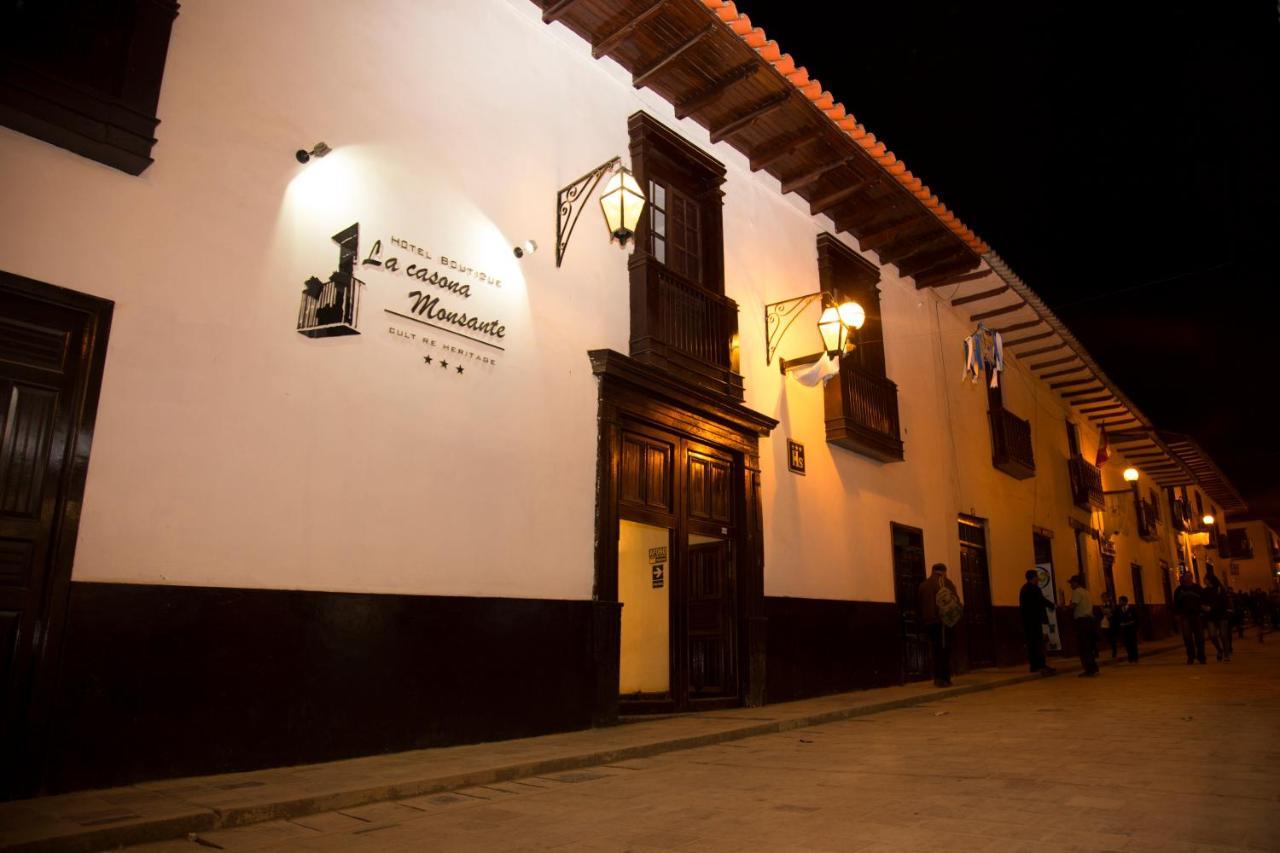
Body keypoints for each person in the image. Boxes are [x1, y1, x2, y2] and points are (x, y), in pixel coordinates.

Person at [918, 563, 960, 688]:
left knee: (935, 650)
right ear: (943, 571)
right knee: (945, 650)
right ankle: (945, 678)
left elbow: (920, 604)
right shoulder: (947, 583)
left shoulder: (923, 585)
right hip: (944, 623)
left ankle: (937, 678)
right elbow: (956, 601)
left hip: (929, 622)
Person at [1019, 569, 1056, 675]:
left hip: (1028, 621)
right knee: (1037, 643)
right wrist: (1052, 605)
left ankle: (1035, 665)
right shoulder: (1033, 589)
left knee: (1033, 643)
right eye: (1036, 577)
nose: (1038, 579)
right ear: (1033, 577)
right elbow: (1041, 600)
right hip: (1034, 620)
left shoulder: (1024, 589)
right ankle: (1040, 665)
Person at [1068, 576, 1099, 677]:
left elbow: (1074, 605)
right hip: (1089, 620)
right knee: (1089, 646)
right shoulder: (1086, 592)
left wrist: (1065, 607)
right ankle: (1093, 667)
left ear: (1076, 583)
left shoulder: (1077, 592)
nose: (1071, 585)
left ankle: (1089, 668)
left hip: (1082, 621)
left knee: (1083, 646)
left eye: (1072, 583)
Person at [1173, 572, 1206, 664]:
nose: (1188, 579)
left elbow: (1203, 600)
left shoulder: (1197, 588)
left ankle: (1201, 656)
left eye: (1189, 577)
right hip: (1185, 616)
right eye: (1186, 577)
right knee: (1187, 637)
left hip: (1197, 615)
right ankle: (1191, 656)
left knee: (1199, 637)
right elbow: (1176, 604)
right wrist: (1177, 615)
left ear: (1192, 578)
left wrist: (1202, 612)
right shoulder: (1179, 590)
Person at [1203, 567, 1231, 661]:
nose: (1204, 580)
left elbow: (1223, 601)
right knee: (1212, 635)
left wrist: (1212, 607)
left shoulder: (1219, 589)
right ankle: (1219, 650)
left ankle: (1226, 654)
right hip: (1210, 616)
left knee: (1223, 635)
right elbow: (1202, 601)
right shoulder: (1205, 591)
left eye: (1205, 579)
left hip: (1221, 614)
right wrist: (1203, 607)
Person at [1115, 595, 1139, 663]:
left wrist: (1134, 626)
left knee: (1133, 643)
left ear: (1125, 601)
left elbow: (1136, 619)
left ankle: (1135, 657)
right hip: (1124, 629)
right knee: (1127, 644)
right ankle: (1130, 657)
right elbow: (1117, 619)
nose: (1119, 602)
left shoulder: (1132, 609)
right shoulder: (1119, 610)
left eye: (1120, 601)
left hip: (1131, 629)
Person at [1100, 592, 1119, 660]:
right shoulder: (1102, 605)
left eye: (1104, 597)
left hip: (1112, 622)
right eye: (1102, 597)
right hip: (1105, 622)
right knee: (1107, 636)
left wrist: (1109, 613)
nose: (1103, 599)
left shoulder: (1112, 604)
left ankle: (1114, 651)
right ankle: (1112, 647)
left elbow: (1113, 612)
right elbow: (1102, 613)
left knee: (1112, 637)